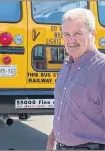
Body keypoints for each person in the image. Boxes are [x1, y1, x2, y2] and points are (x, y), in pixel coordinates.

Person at [46, 8, 105, 150]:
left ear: (93, 34)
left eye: (78, 33)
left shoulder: (101, 69)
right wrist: (52, 139)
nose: (71, 40)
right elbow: (66, 110)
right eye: (67, 34)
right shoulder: (68, 65)